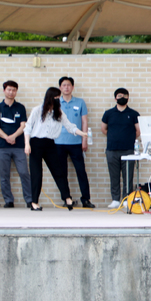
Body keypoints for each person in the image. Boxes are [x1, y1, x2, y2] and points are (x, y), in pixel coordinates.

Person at [24, 87, 87, 211]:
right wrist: (27, 144)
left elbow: (70, 126)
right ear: (50, 97)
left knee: (58, 171)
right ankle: (34, 202)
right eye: (56, 97)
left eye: (59, 97)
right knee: (36, 173)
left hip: (50, 143)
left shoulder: (59, 112)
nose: (58, 99)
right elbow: (28, 127)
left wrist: (82, 133)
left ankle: (67, 198)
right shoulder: (37, 110)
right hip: (36, 142)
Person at [55, 76, 95, 208]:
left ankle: (86, 199)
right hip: (58, 142)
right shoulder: (55, 102)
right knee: (62, 173)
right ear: (60, 87)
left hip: (76, 142)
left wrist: (85, 139)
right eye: (64, 85)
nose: (66, 87)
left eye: (69, 85)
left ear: (72, 87)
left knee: (81, 171)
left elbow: (84, 122)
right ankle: (67, 199)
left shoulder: (80, 102)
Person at [0, 81, 32, 208]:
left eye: (14, 90)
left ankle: (30, 200)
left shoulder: (20, 107)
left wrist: (14, 136)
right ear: (4, 90)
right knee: (4, 175)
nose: (11, 92)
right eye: (9, 89)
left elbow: (23, 125)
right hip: (3, 147)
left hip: (19, 146)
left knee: (24, 173)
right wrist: (6, 137)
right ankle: (8, 201)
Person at [101, 88, 140, 209]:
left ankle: (126, 199)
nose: (122, 97)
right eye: (119, 95)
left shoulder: (133, 114)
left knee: (128, 176)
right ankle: (115, 199)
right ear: (115, 98)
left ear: (128, 98)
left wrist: (127, 138)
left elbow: (138, 131)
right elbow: (104, 129)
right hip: (112, 149)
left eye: (124, 96)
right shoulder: (108, 113)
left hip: (128, 150)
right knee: (114, 176)